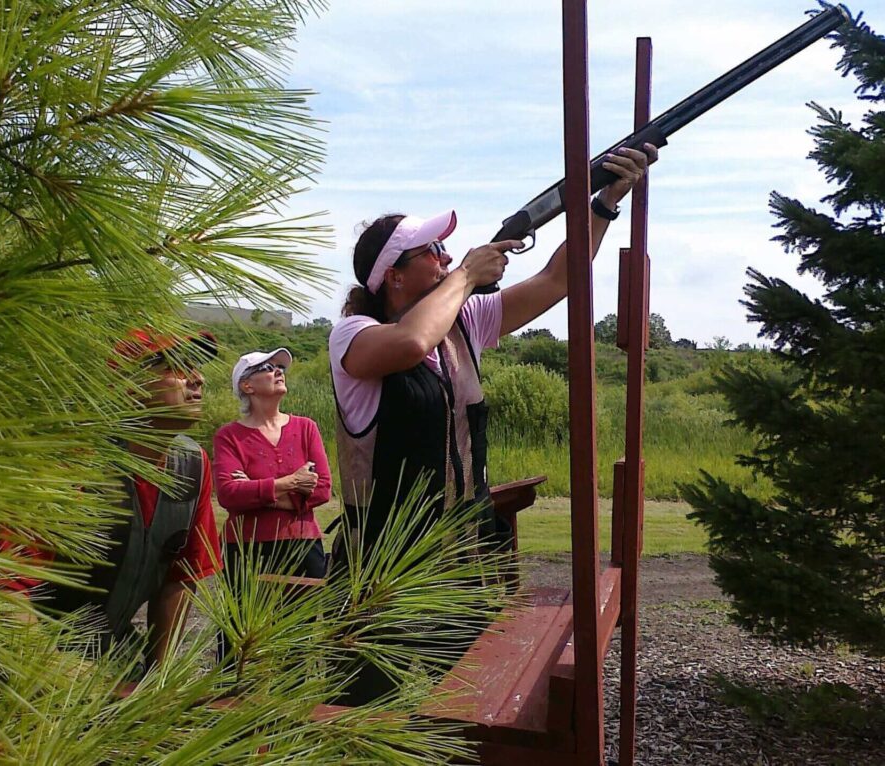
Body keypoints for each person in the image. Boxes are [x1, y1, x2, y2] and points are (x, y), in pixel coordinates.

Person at [328, 145, 658, 702]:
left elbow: (559, 280)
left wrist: (603, 204)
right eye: (432, 251)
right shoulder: (353, 334)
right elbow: (411, 341)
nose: (446, 255)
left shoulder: (464, 321)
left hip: (459, 553)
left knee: (465, 704)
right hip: (379, 560)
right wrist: (465, 276)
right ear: (394, 278)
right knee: (364, 710)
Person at [0, 328, 222, 674]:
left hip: (110, 662)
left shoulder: (192, 466)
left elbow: (179, 578)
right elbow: (1, 590)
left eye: (195, 366)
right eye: (176, 366)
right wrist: (56, 679)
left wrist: (157, 679)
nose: (197, 378)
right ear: (128, 384)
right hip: (14, 667)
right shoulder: (66, 462)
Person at [213, 348, 332, 659]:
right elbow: (228, 494)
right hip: (247, 547)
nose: (279, 371)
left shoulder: (306, 427)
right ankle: (230, 701)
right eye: (268, 367)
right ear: (246, 386)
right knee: (238, 635)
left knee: (299, 635)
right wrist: (291, 483)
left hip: (302, 544)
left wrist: (257, 492)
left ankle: (291, 703)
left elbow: (323, 490)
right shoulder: (229, 436)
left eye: (281, 367)